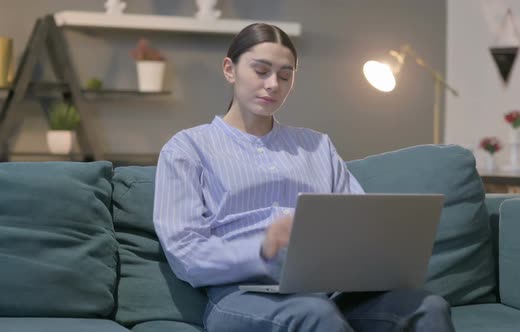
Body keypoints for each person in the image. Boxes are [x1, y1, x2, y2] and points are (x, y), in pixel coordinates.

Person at [153, 22, 455, 332]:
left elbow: (360, 226)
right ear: (230, 70)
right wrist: (263, 247)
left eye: (285, 76)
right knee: (315, 314)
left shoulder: (317, 147)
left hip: (330, 293)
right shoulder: (188, 148)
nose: (273, 84)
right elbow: (186, 252)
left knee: (428, 307)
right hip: (241, 293)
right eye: (261, 71)